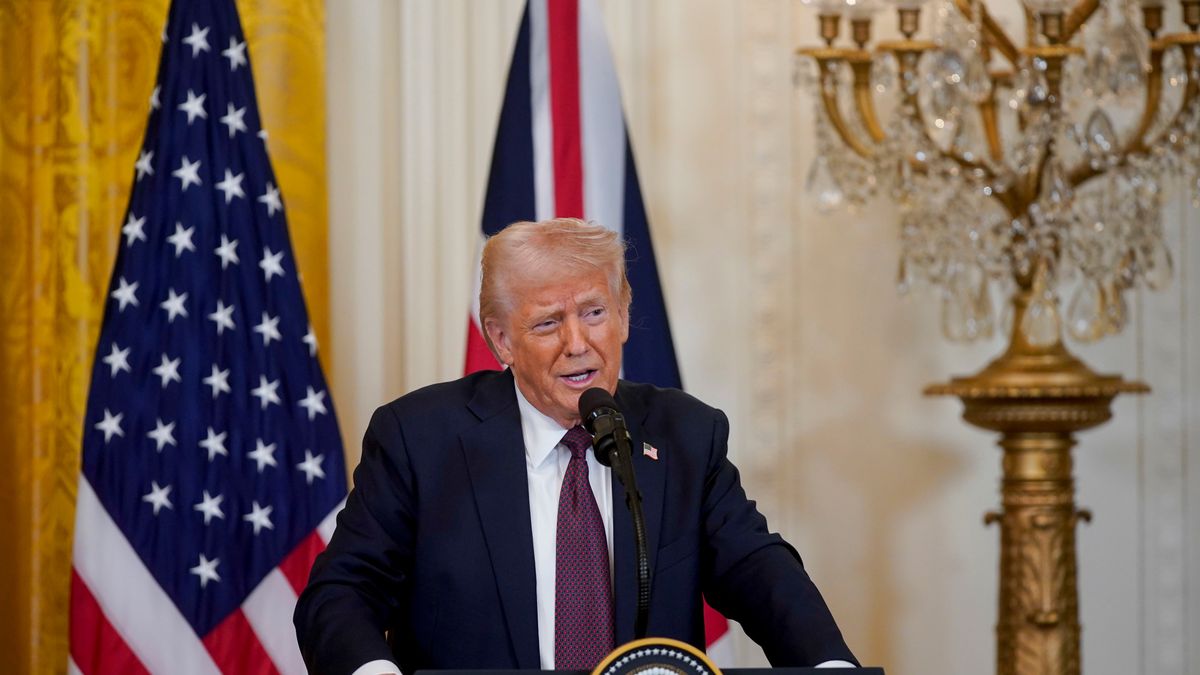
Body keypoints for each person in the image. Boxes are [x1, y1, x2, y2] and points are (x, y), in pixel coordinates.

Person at [294, 219, 857, 675]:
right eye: (547, 324)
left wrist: (829, 665)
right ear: (501, 340)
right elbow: (343, 592)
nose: (578, 343)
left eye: (594, 313)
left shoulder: (684, 433)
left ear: (624, 316)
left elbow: (758, 570)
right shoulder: (421, 438)